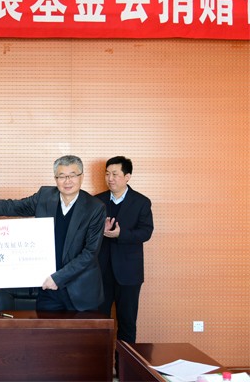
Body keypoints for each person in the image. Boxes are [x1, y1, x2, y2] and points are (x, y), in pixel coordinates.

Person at [0, 155, 106, 312]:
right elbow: (12, 206)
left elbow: (90, 253)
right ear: (55, 179)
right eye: (61, 176)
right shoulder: (45, 196)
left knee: (82, 329)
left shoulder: (95, 208)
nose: (67, 181)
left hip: (80, 291)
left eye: (72, 175)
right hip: (48, 289)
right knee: (45, 328)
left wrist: (58, 278)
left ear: (81, 176)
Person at [95, 156, 154, 370]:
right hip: (101, 273)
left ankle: (124, 370)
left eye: (115, 174)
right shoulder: (96, 201)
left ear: (127, 176)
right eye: (107, 173)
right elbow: (85, 232)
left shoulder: (141, 202)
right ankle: (98, 369)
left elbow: (146, 232)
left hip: (129, 274)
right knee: (99, 323)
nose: (110, 178)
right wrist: (99, 231)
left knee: (127, 323)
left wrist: (121, 234)